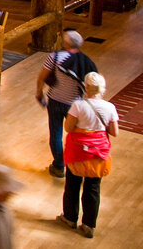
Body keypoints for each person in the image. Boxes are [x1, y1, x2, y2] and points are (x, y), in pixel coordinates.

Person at [58, 71, 118, 239]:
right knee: (93, 188)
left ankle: (70, 218)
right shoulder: (110, 108)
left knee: (72, 186)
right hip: (98, 154)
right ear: (102, 88)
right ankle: (89, 225)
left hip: (77, 152)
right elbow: (114, 132)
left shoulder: (78, 106)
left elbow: (68, 128)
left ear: (86, 87)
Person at [35, 30, 97, 178]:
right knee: (76, 135)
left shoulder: (55, 57)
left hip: (55, 100)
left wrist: (39, 93)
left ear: (66, 43)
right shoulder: (85, 62)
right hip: (75, 104)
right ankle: (75, 164)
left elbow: (42, 77)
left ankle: (58, 166)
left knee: (55, 134)